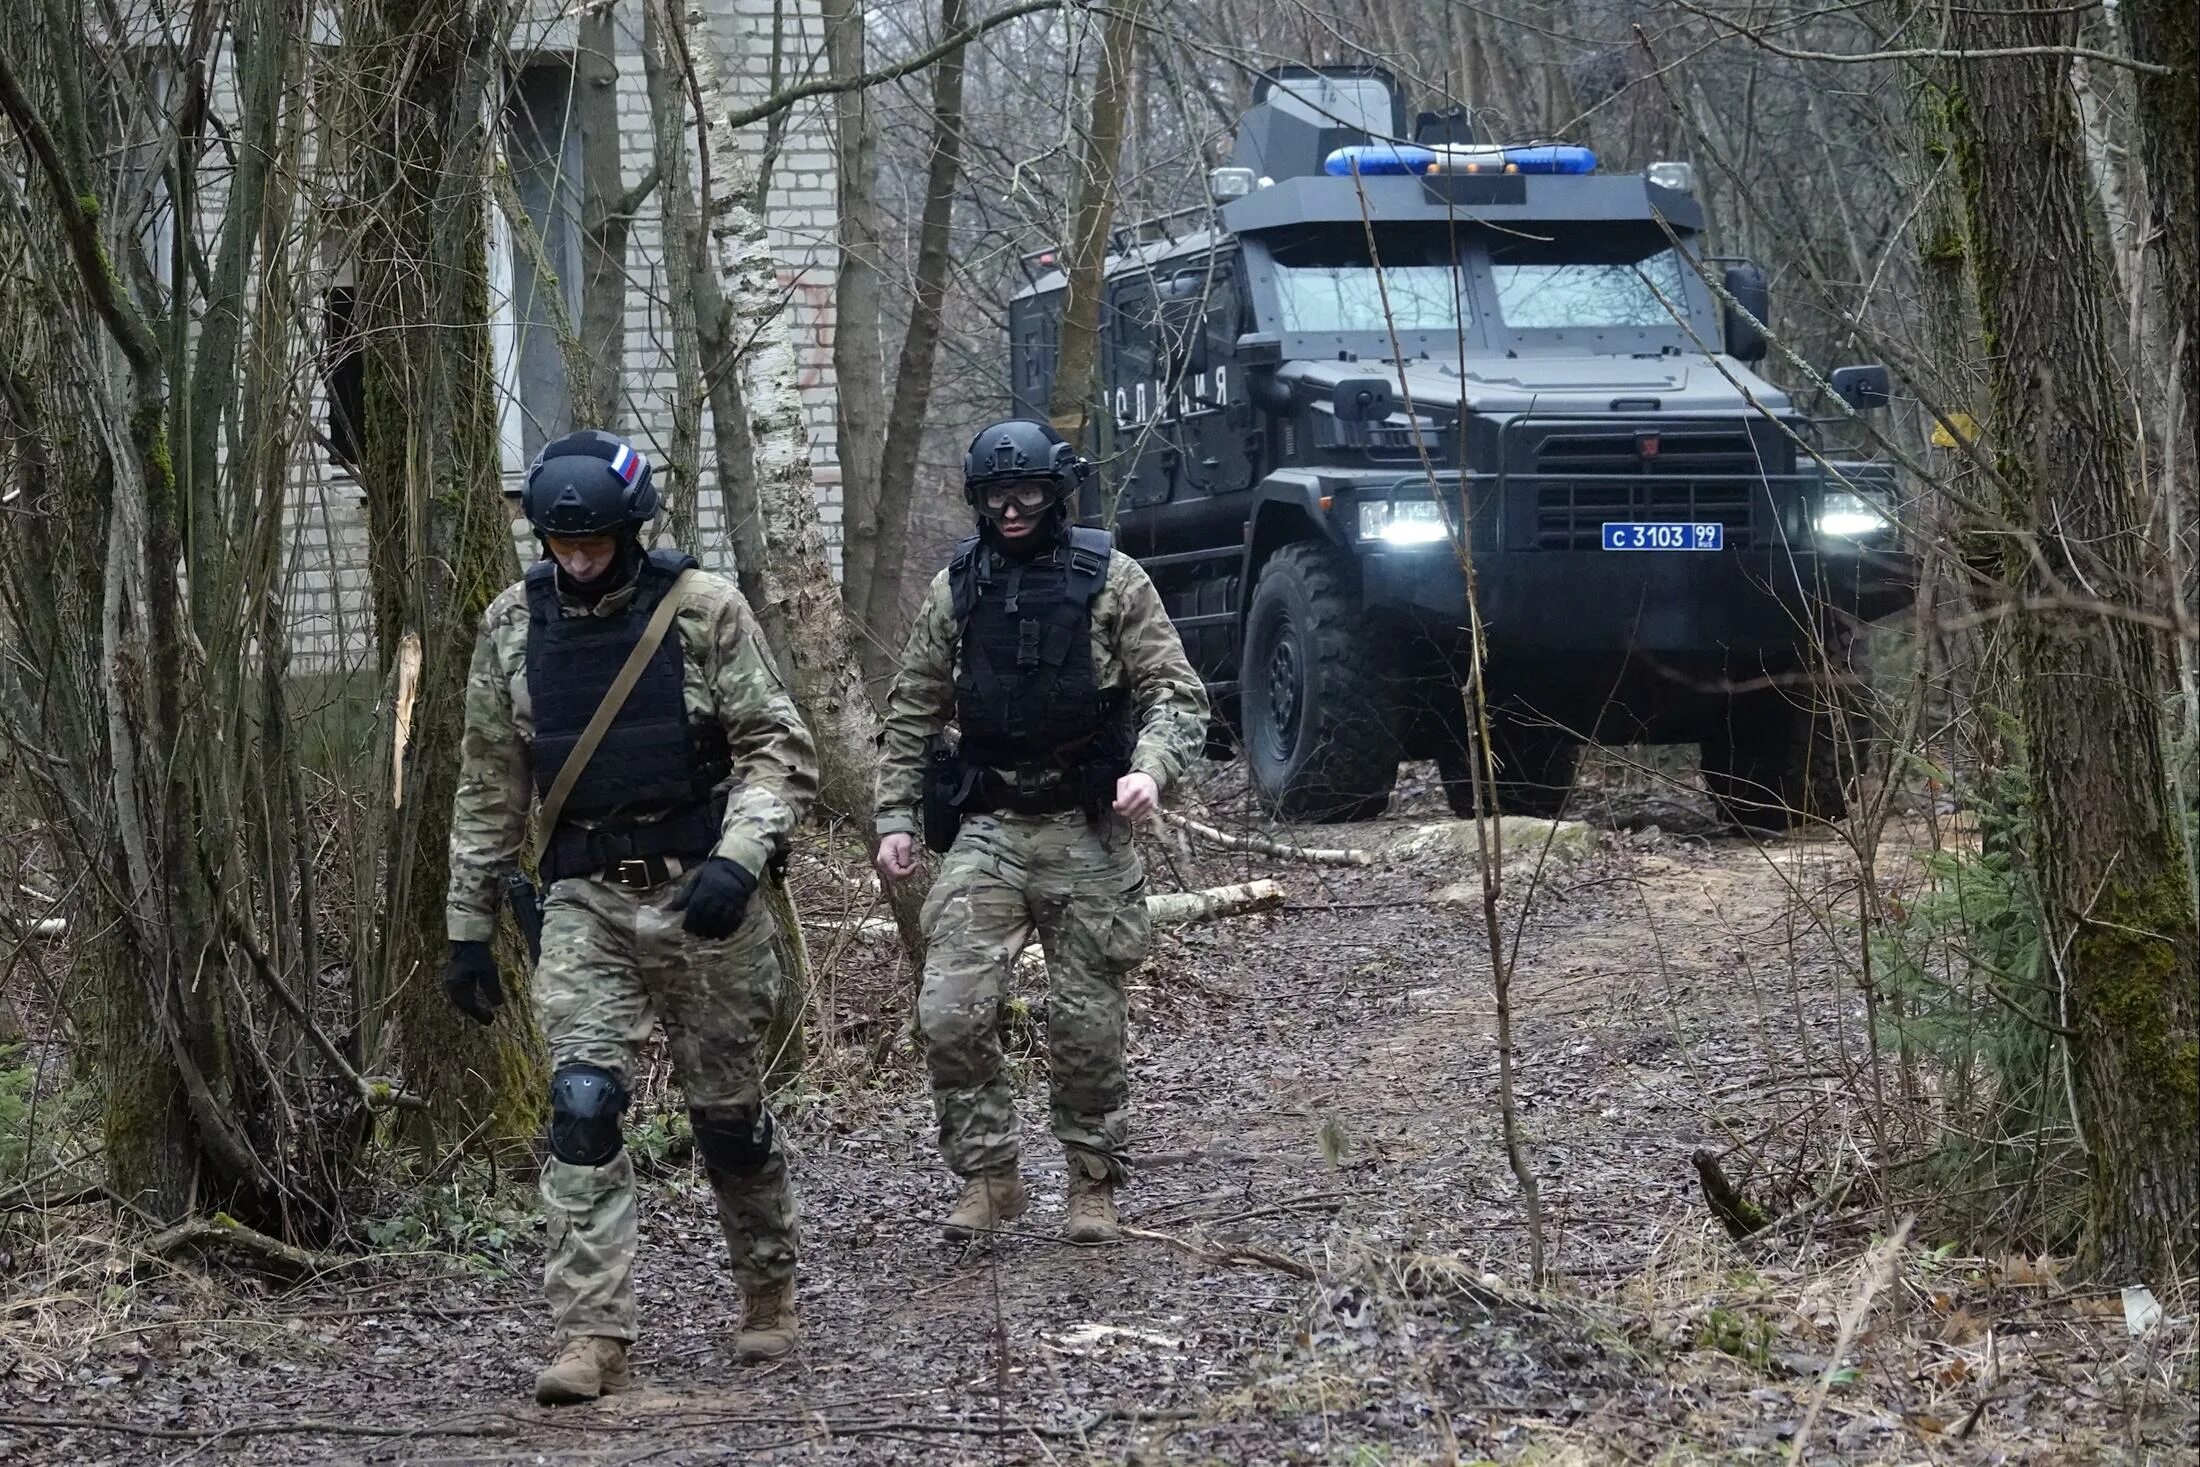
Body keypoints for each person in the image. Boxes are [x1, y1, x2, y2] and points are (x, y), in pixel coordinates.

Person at [440, 429, 817, 1405]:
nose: (576, 562)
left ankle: (768, 1286)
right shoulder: (510, 628)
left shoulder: (701, 612)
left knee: (726, 1119)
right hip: (583, 904)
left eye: (593, 546)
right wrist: (467, 927)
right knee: (581, 1106)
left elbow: (777, 747)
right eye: (562, 548)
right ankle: (591, 1335)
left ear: (630, 532)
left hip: (702, 894)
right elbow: (489, 785)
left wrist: (741, 859)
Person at [873, 419, 1209, 1245]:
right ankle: (990, 1173)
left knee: (1086, 1019)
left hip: (1084, 826)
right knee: (949, 1009)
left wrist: (1151, 769)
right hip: (989, 825)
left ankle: (1093, 1176)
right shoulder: (958, 587)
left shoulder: (1112, 580)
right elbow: (912, 709)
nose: (1010, 509)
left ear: (1056, 494)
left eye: (1025, 494)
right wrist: (895, 817)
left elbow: (1178, 692)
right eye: (994, 496)